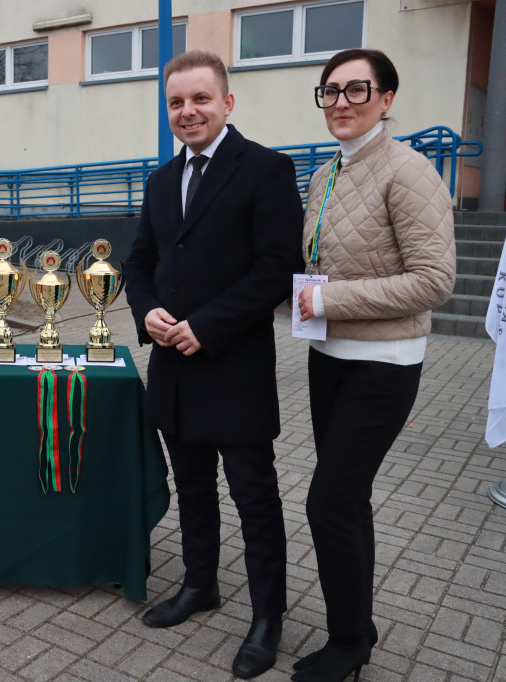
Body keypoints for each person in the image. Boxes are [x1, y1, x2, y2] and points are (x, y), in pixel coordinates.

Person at [124, 50, 303, 679]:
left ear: (227, 103)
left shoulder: (267, 170)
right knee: (192, 487)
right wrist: (146, 312)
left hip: (233, 365)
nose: (187, 111)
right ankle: (201, 585)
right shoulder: (159, 179)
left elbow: (277, 267)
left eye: (200, 99)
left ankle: (267, 618)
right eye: (176, 102)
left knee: (255, 498)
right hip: (173, 364)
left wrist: (210, 325)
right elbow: (140, 262)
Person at [293, 49, 455, 681]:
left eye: (356, 90)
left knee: (327, 503)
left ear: (387, 99)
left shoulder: (409, 172)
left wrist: (327, 298)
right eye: (330, 91)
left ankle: (348, 643)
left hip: (382, 364)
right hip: (328, 355)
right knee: (348, 498)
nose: (340, 102)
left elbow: (435, 280)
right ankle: (358, 623)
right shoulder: (325, 173)